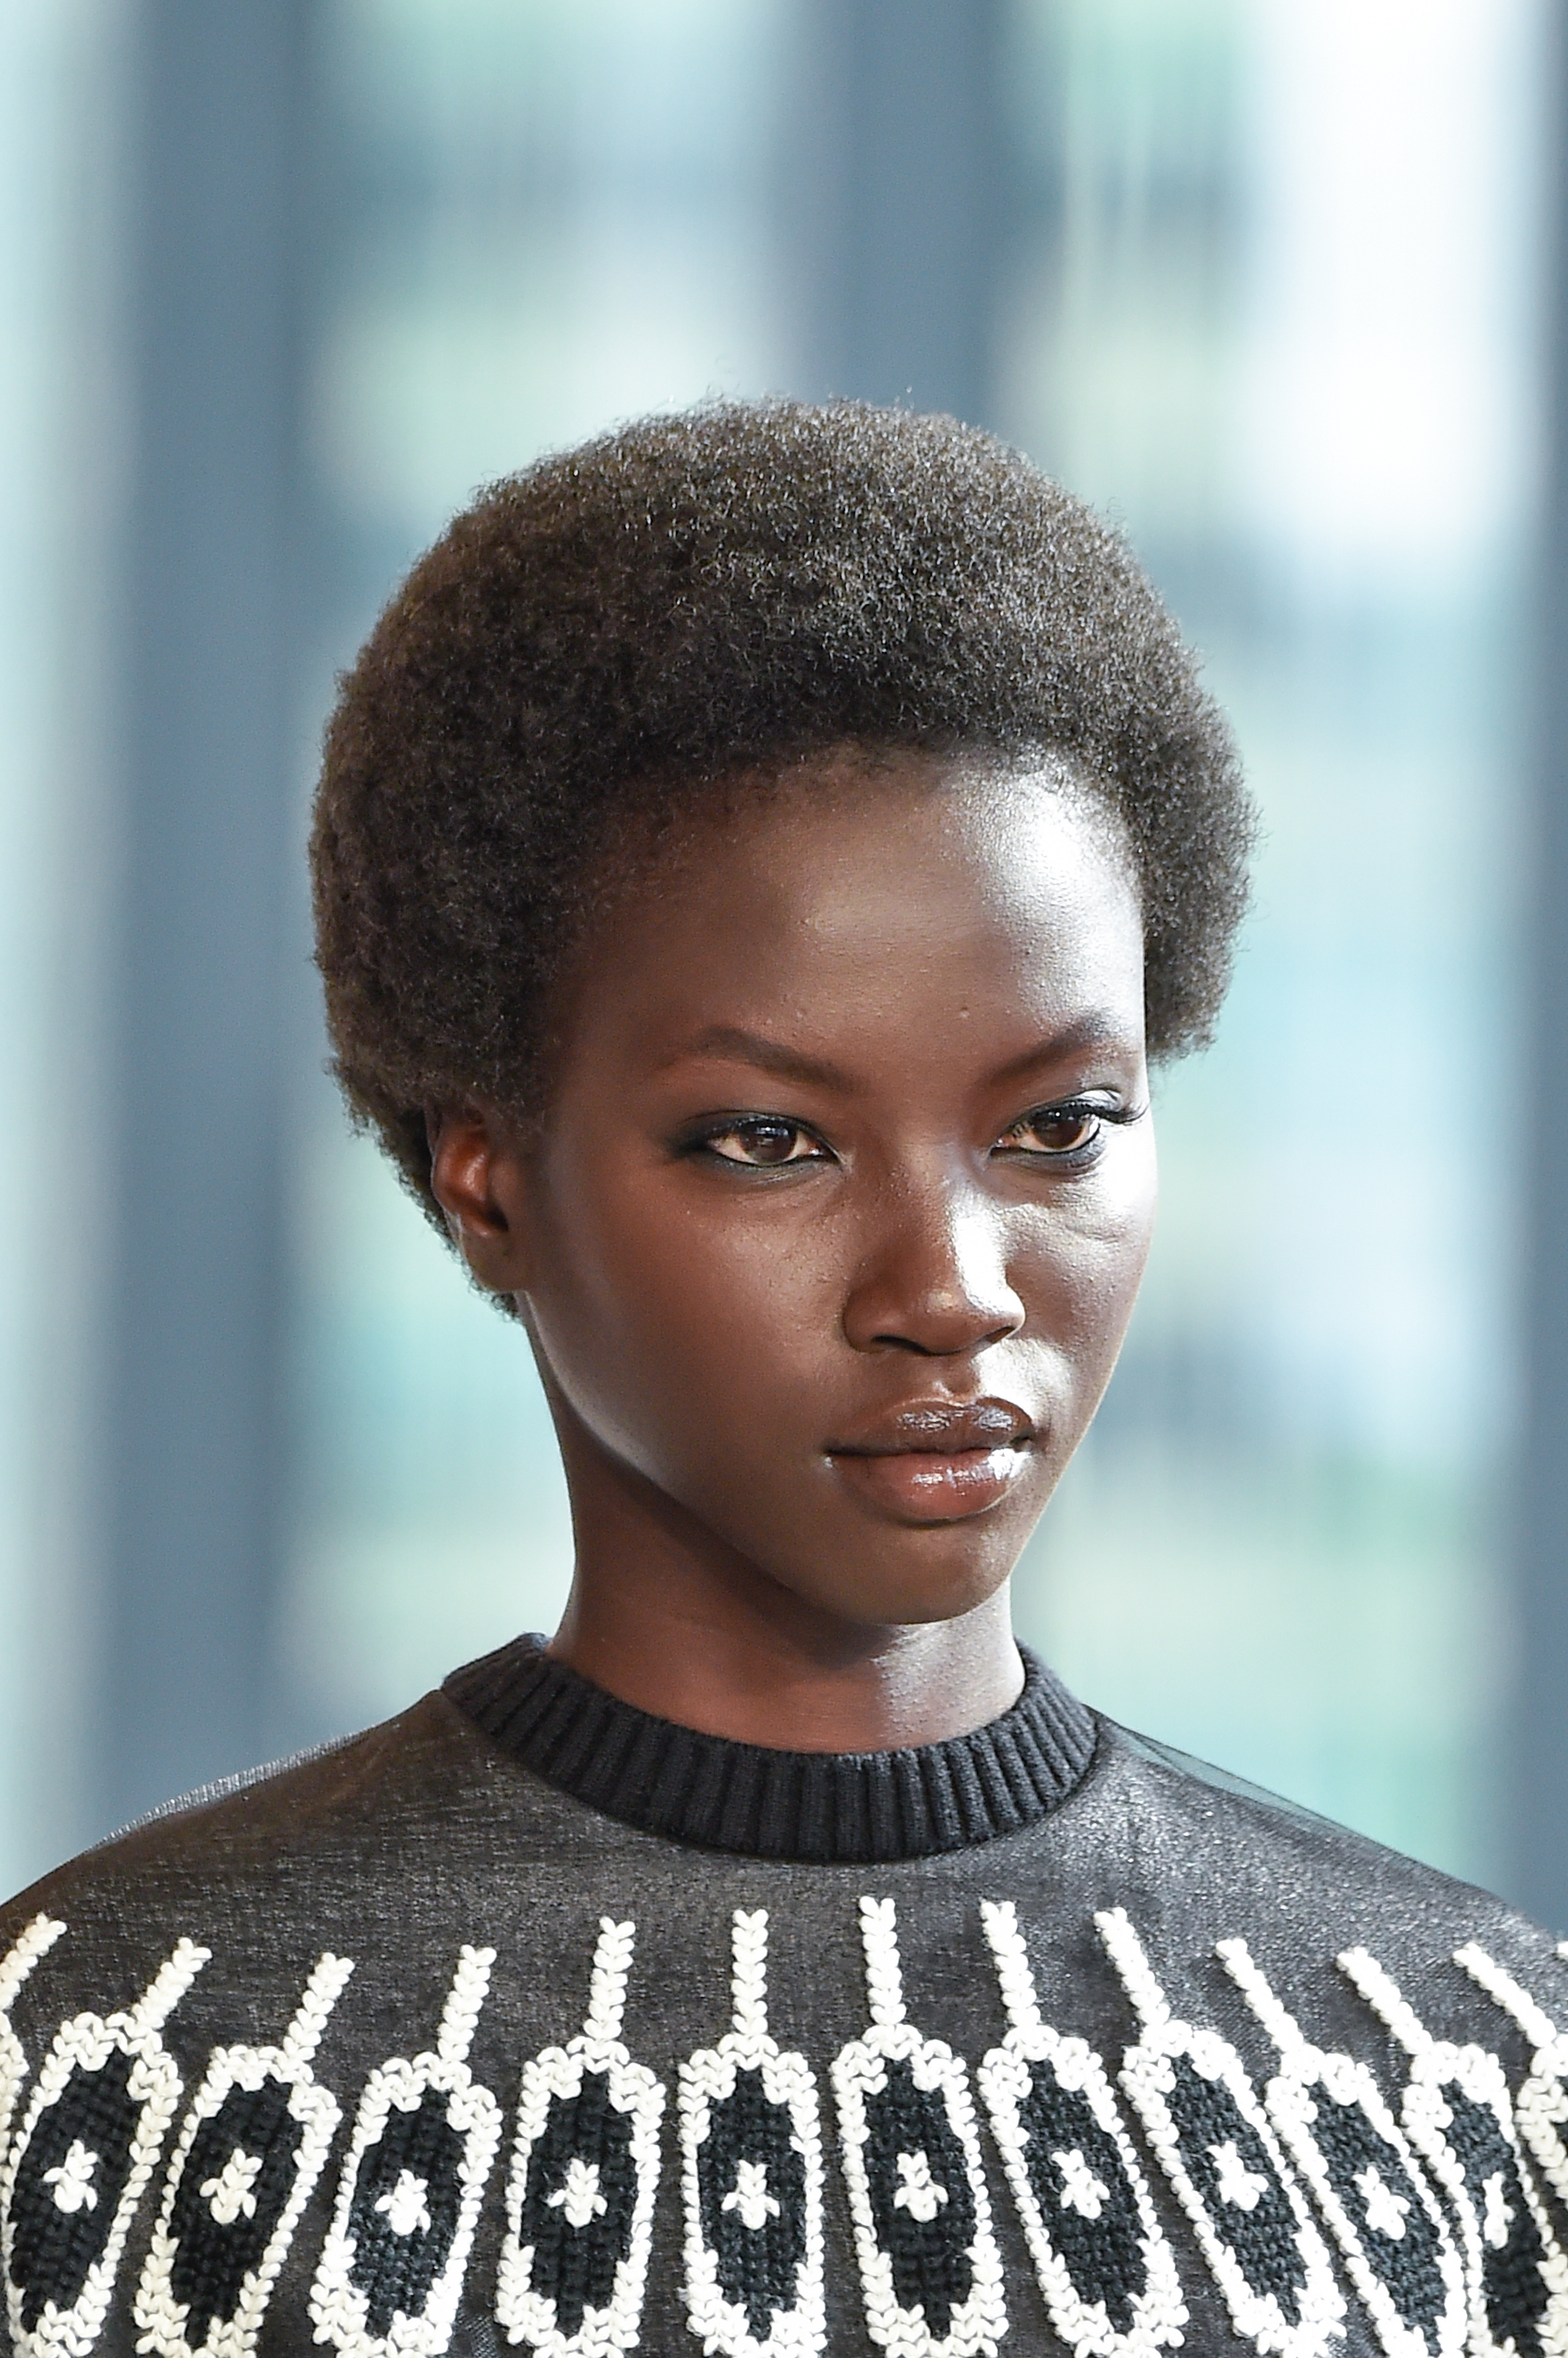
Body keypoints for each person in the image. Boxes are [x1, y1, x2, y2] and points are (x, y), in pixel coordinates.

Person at [0, 401, 1562, 2358]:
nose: (952, 1287)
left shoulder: (1465, 2079)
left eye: (1058, 1125)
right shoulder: (114, 2068)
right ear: (487, 1174)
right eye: (770, 1141)